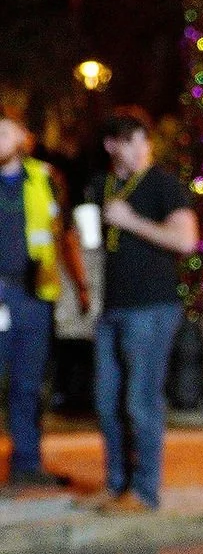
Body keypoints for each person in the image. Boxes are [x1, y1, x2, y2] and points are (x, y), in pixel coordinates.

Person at [89, 110, 198, 511]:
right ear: (111, 146)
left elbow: (186, 240)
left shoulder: (162, 186)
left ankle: (144, 491)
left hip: (152, 308)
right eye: (131, 141)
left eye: (143, 141)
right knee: (106, 401)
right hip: (111, 308)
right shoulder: (100, 186)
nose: (140, 149)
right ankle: (116, 484)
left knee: (140, 400)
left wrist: (131, 222)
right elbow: (92, 242)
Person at [0, 108, 87, 494]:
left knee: (28, 384)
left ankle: (27, 464)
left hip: (33, 296)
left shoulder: (46, 179)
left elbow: (64, 234)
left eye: (4, 133)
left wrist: (81, 284)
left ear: (23, 139)